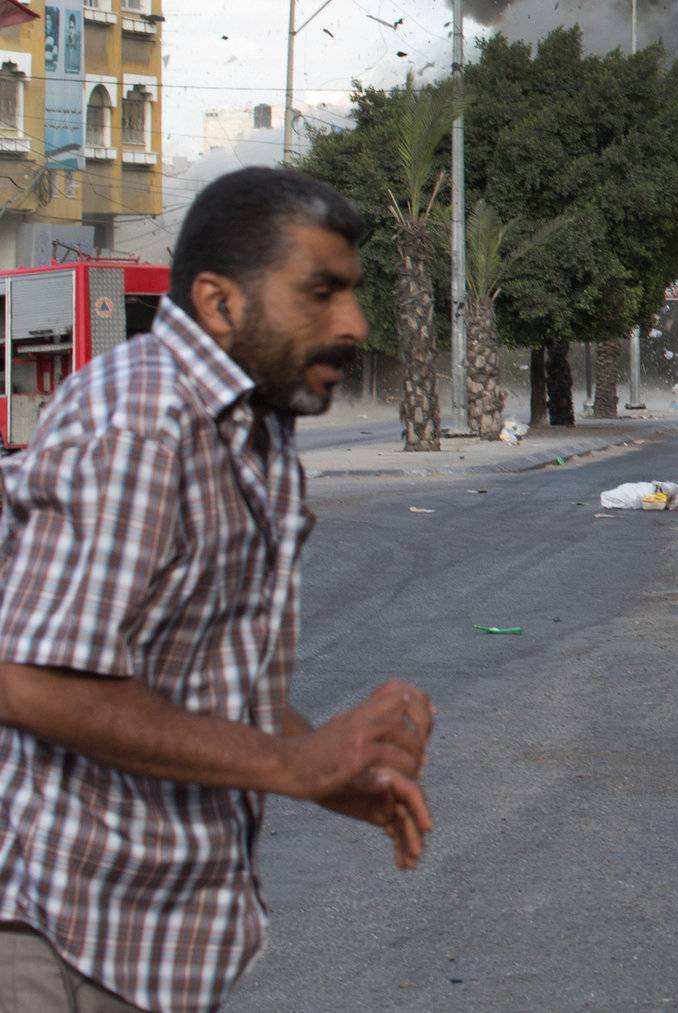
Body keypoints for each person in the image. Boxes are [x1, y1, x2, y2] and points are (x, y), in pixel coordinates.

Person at [0, 169, 435, 1013]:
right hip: (59, 940)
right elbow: (27, 678)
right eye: (322, 293)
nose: (354, 324)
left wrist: (338, 776)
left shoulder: (249, 430)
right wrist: (292, 761)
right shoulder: (141, 423)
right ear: (219, 301)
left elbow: (205, 686)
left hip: (153, 944)